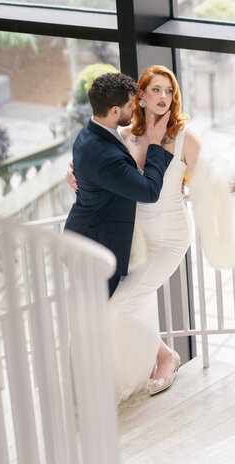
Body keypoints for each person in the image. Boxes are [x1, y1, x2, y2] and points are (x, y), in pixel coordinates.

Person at [66, 65, 235, 401]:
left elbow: (209, 181)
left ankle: (166, 356)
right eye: (156, 90)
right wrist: (78, 180)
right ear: (139, 96)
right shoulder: (125, 136)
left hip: (169, 239)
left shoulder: (184, 136)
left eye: (169, 91)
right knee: (122, 305)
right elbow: (107, 177)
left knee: (116, 309)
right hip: (137, 241)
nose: (164, 98)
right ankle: (161, 355)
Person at [63, 71, 172, 298]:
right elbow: (149, 191)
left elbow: (90, 170)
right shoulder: (106, 155)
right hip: (94, 249)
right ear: (114, 111)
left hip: (85, 237)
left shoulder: (88, 132)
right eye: (130, 105)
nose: (135, 108)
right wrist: (154, 143)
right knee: (99, 320)